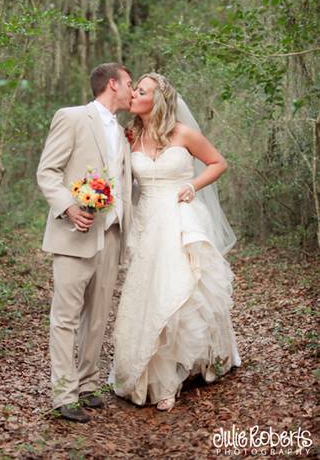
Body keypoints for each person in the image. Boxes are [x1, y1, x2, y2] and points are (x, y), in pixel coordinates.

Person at [110, 72, 241, 412]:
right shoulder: (130, 136)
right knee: (148, 294)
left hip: (180, 219)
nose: (134, 94)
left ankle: (177, 373)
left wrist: (193, 186)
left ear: (158, 100)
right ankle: (148, 371)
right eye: (134, 89)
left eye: (142, 90)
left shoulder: (183, 134)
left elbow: (218, 162)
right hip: (146, 224)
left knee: (181, 291)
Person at [36, 63, 133, 422]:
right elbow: (48, 171)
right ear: (113, 84)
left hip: (111, 233)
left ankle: (88, 383)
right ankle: (64, 394)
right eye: (129, 84)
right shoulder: (72, 117)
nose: (132, 90)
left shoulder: (124, 134)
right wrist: (68, 208)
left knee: (98, 317)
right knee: (65, 317)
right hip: (74, 232)